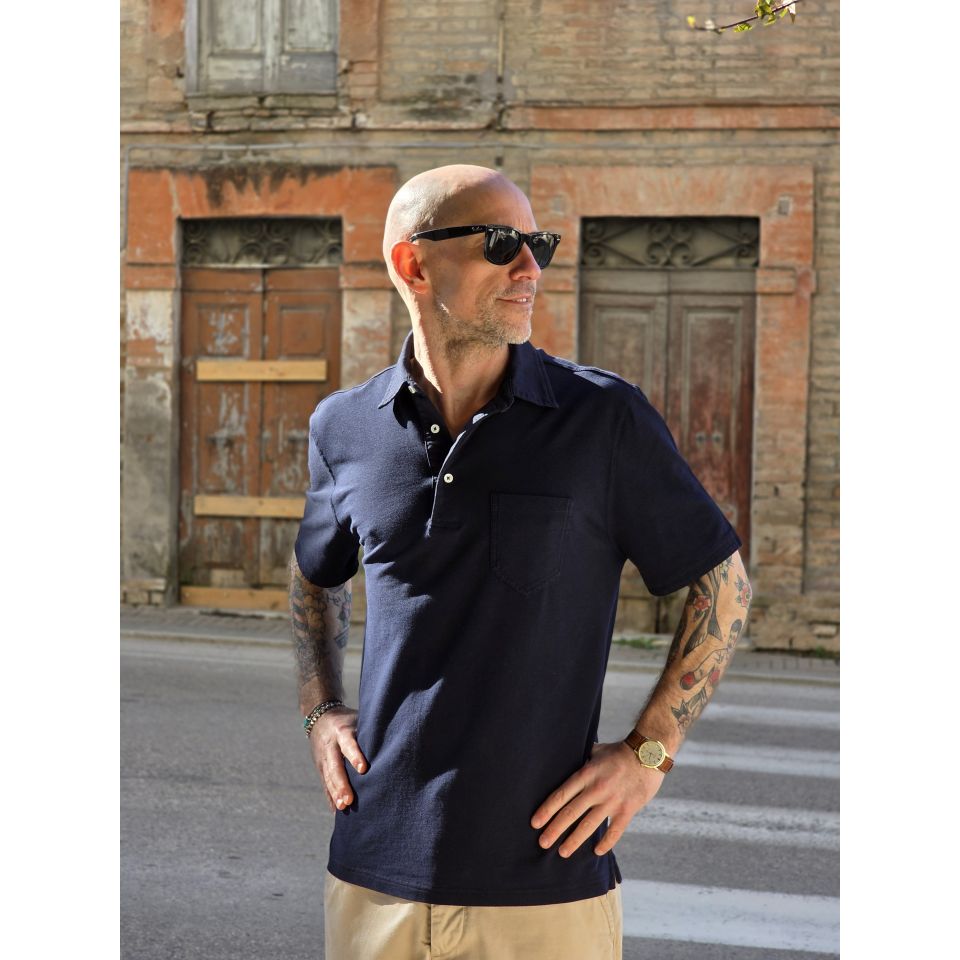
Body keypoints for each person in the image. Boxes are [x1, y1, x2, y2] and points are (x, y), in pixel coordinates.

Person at [288, 164, 752, 960]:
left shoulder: (601, 418)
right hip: (373, 876)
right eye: (502, 244)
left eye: (539, 245)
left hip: (545, 888)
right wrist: (320, 709)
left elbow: (723, 582)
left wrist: (649, 752)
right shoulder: (343, 426)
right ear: (413, 264)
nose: (531, 267)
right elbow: (314, 575)